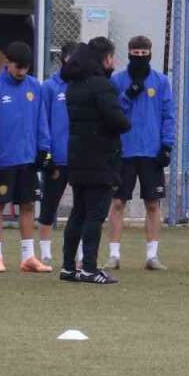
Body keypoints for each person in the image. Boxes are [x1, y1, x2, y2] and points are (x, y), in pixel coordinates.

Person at [61, 37, 131, 284]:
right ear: (105, 59)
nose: (114, 63)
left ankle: (68, 266)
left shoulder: (74, 85)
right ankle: (89, 267)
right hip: (101, 158)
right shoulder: (102, 86)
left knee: (77, 213)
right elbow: (118, 120)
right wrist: (125, 118)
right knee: (95, 214)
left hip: (78, 156)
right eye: (112, 57)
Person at [0, 42, 51, 275]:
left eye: (26, 68)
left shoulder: (34, 87)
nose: (22, 72)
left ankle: (28, 256)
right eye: (18, 67)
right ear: (7, 62)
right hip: (3, 158)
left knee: (28, 205)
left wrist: (43, 148)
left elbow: (41, 120)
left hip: (27, 158)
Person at [107, 36, 176, 271]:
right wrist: (129, 94)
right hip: (124, 151)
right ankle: (114, 255)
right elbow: (113, 113)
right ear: (128, 54)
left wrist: (167, 145)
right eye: (135, 53)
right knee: (117, 202)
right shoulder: (117, 81)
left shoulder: (162, 82)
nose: (139, 57)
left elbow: (168, 116)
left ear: (150, 54)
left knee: (153, 204)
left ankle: (152, 255)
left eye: (143, 53)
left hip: (151, 151)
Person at [37, 42, 77, 268]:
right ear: (62, 58)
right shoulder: (50, 87)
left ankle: (80, 253)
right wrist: (47, 154)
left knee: (82, 207)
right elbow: (43, 122)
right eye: (70, 58)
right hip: (57, 158)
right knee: (49, 205)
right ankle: (45, 252)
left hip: (79, 157)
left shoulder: (82, 85)